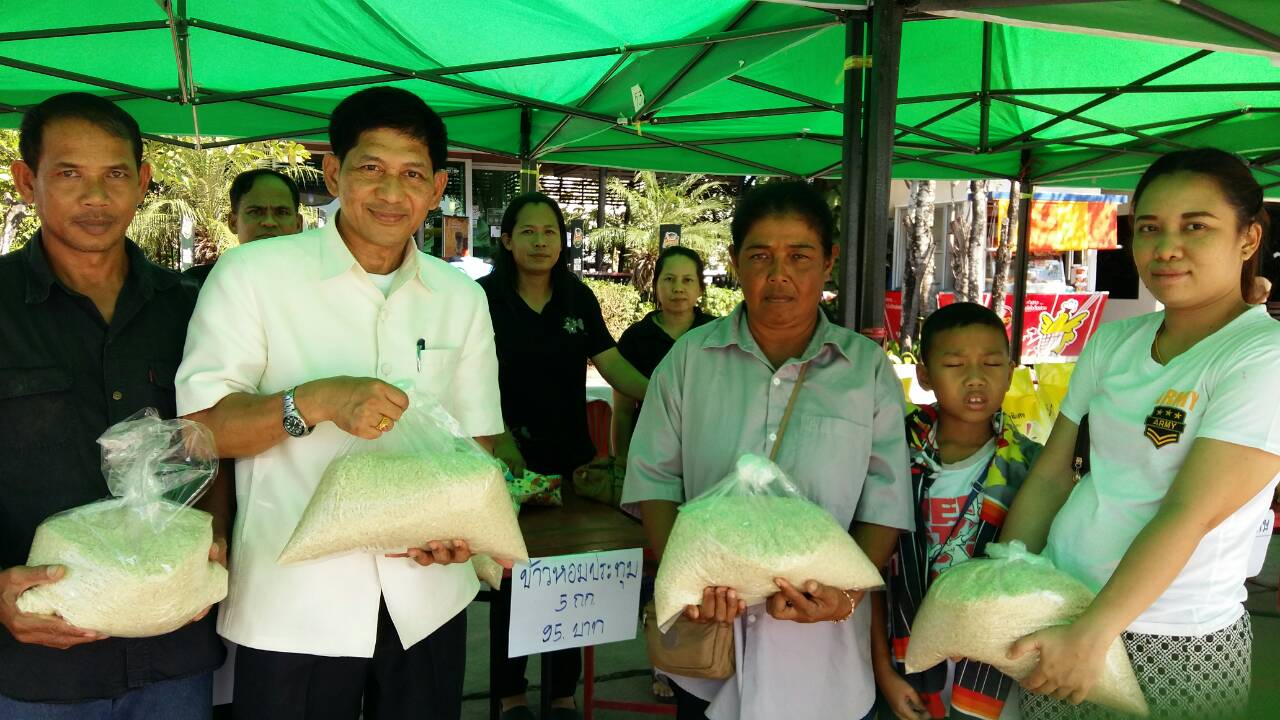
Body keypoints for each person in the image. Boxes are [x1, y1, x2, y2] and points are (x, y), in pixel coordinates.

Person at [175, 86, 505, 720]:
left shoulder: (460, 298)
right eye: (370, 169)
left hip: (428, 597)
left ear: (437, 190)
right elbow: (202, 431)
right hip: (295, 606)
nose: (390, 193)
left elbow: (477, 445)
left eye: (411, 175)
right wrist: (317, 399)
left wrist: (464, 530)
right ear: (333, 173)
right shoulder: (254, 277)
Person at [1000, 148, 1280, 720]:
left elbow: (1188, 514)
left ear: (1248, 239)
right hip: (1060, 607)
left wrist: (1093, 634)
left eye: (1195, 226)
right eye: (1149, 228)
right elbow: (1053, 474)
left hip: (1172, 639)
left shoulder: (1261, 358)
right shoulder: (1115, 341)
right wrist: (1007, 576)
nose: (1165, 247)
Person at [621, 180, 913, 720]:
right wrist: (684, 579)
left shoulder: (866, 372)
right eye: (760, 256)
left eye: (799, 256)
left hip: (826, 664)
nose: (778, 275)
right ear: (734, 263)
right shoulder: (689, 361)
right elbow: (654, 481)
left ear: (828, 262)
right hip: (710, 658)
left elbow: (885, 501)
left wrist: (845, 596)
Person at [0, 92, 224, 717]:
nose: (96, 199)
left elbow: (220, 442)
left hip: (174, 645)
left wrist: (223, 532)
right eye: (69, 174)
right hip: (38, 657)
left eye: (116, 175)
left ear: (143, 181)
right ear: (27, 181)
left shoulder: (192, 310)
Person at [477, 191, 649, 720]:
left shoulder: (578, 298)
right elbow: (465, 380)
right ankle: (509, 694)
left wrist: (672, 401)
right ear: (507, 239)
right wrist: (499, 438)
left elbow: (613, 365)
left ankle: (561, 692)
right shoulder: (483, 298)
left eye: (549, 231)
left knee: (570, 582)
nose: (539, 240)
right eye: (527, 231)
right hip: (505, 466)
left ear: (561, 241)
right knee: (512, 581)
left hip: (572, 466)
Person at [871, 302, 1042, 720]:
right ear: (925, 375)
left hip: (996, 672)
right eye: (954, 364)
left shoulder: (1032, 468)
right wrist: (881, 671)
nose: (975, 378)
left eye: (990, 363)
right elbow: (869, 577)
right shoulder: (890, 456)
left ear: (1011, 370)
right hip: (903, 665)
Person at [612, 246, 715, 463]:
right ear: (656, 285)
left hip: (708, 453)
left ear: (700, 288)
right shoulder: (636, 338)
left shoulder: (717, 334)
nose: (678, 288)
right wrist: (622, 463)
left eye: (687, 280)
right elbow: (623, 412)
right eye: (669, 279)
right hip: (650, 454)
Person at [185, 168, 304, 284]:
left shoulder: (315, 285)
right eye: (256, 212)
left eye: (281, 212)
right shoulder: (195, 287)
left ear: (298, 224)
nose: (269, 222)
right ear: (233, 222)